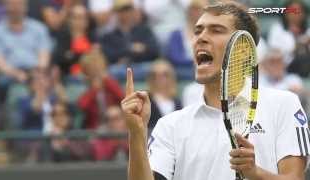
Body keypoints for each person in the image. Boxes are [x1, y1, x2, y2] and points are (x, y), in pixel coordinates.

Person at [121, 2, 308, 180]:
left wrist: (255, 173)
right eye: (197, 31)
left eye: (216, 30)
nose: (201, 37)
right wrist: (137, 132)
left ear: (243, 48)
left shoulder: (283, 104)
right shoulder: (169, 126)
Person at [78, 49, 124, 130]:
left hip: (115, 126)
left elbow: (123, 97)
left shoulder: (110, 83)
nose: (96, 69)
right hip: (95, 129)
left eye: (99, 65)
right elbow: (82, 106)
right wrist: (94, 89)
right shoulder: (85, 87)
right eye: (92, 67)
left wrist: (106, 80)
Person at [146, 60, 182, 135]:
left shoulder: (177, 102)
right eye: (155, 75)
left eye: (165, 75)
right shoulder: (146, 100)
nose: (160, 78)